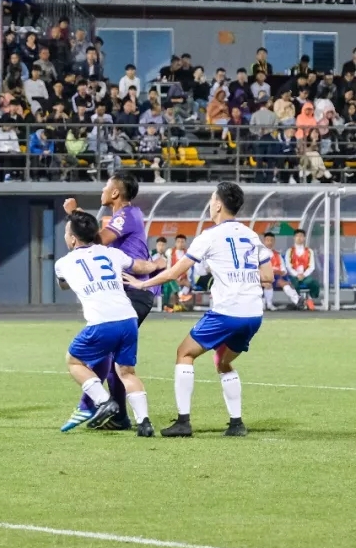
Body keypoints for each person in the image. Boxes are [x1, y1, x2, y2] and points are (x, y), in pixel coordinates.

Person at [125, 182, 269, 437]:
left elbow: (174, 272)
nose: (210, 204)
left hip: (227, 312)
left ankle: (183, 421)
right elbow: (267, 275)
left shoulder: (209, 236)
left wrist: (142, 283)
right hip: (254, 314)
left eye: (212, 199)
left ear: (218, 205)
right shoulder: (251, 235)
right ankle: (236, 424)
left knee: (184, 353)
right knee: (223, 362)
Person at [60, 171, 159, 432]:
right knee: (118, 360)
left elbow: (94, 239)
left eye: (106, 185)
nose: (103, 190)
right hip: (129, 291)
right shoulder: (122, 216)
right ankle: (121, 416)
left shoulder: (126, 214)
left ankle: (93, 405)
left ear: (115, 192)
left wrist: (74, 214)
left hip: (134, 290)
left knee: (107, 353)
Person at [262, 232, 300, 310]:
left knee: (285, 283)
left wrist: (280, 272)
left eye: (271, 240)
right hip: (262, 277)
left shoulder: (277, 255)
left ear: (274, 242)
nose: (270, 242)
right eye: (267, 240)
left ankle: (298, 301)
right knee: (269, 282)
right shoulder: (259, 254)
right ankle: (268, 304)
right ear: (264, 241)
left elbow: (283, 270)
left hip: (276, 277)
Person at [283, 228, 318, 310]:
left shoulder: (309, 251)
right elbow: (288, 266)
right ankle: (300, 302)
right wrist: (297, 275)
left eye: (301, 236)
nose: (299, 238)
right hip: (293, 276)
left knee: (314, 283)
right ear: (294, 238)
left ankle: (309, 299)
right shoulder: (290, 251)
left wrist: (304, 275)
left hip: (305, 276)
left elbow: (312, 266)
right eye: (297, 236)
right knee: (294, 284)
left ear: (304, 238)